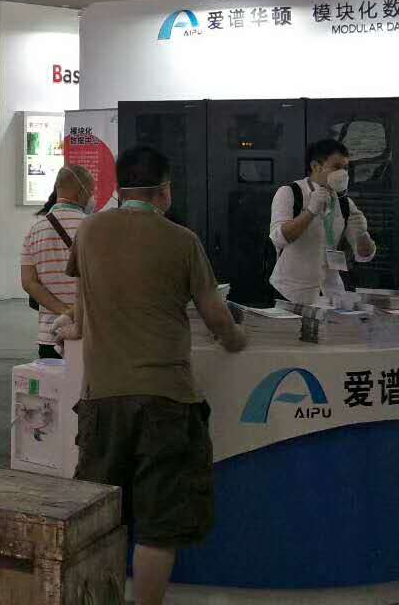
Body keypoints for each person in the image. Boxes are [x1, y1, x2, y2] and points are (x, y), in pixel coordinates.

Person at [66, 145, 246, 605]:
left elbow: (82, 304)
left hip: (103, 397)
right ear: (164, 191)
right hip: (167, 399)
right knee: (159, 524)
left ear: (119, 188)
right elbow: (216, 316)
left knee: (98, 516)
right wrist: (236, 340)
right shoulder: (182, 240)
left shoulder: (88, 231)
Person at [268, 138, 377, 303]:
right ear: (315, 166)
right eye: (337, 167)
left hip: (332, 293)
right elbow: (279, 238)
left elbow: (364, 255)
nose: (343, 174)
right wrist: (310, 212)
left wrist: (362, 234)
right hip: (291, 291)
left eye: (346, 168)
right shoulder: (290, 193)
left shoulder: (344, 203)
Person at [20, 164, 94, 360]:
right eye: (91, 191)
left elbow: (28, 282)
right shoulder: (92, 227)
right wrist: (74, 314)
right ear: (81, 192)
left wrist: (64, 312)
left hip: (50, 335)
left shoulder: (35, 230)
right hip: (87, 332)